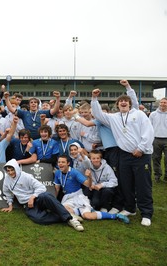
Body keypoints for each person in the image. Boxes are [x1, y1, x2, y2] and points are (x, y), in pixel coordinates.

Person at [91, 85, 154, 226]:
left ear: (130, 103)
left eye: (126, 100)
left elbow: (148, 132)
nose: (123, 102)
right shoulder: (113, 118)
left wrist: (141, 148)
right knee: (126, 183)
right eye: (121, 101)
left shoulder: (139, 114)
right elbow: (98, 115)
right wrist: (94, 99)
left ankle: (146, 213)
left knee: (142, 185)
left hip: (141, 155)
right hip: (124, 155)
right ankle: (130, 208)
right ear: (117, 105)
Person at [1, 159, 84, 232]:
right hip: (27, 204)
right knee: (39, 219)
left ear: (16, 168)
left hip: (37, 199)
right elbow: (7, 192)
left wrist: (32, 197)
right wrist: (10, 205)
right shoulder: (7, 179)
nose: (10, 172)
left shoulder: (26, 176)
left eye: (12, 170)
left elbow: (41, 187)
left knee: (46, 195)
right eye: (8, 171)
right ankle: (66, 215)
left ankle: (71, 220)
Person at [54, 155, 129, 224]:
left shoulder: (74, 172)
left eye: (63, 162)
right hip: (68, 198)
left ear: (68, 163)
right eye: (59, 162)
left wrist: (89, 177)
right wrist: (53, 200)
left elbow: (88, 185)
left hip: (78, 197)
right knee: (64, 210)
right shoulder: (57, 173)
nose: (60, 164)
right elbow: (57, 189)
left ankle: (116, 216)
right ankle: (78, 213)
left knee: (87, 216)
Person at [149, 97, 167, 183]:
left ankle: (166, 177)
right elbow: (149, 127)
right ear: (159, 103)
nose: (163, 104)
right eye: (161, 102)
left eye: (165, 103)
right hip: (156, 139)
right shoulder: (153, 114)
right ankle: (157, 176)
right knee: (156, 158)